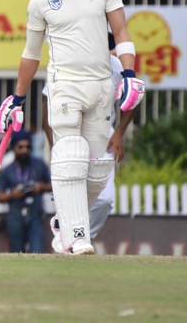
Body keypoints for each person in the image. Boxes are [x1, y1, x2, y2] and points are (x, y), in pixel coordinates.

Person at [0, 0, 145, 256]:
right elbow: (31, 54)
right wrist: (17, 99)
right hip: (65, 85)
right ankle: (78, 238)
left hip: (100, 87)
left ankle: (64, 223)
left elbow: (121, 33)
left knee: (97, 169)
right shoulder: (40, 1)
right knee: (70, 156)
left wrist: (131, 73)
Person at [42, 33, 136, 243]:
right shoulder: (67, 64)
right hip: (70, 133)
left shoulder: (117, 66)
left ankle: (80, 237)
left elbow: (132, 101)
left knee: (103, 199)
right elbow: (46, 103)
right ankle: (71, 238)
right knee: (73, 189)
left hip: (104, 134)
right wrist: (53, 142)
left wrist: (120, 132)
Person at [0, 130, 52, 253]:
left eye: (27, 147)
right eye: (20, 147)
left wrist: (40, 187)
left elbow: (53, 186)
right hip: (15, 214)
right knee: (16, 252)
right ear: (14, 148)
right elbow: (0, 197)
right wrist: (13, 194)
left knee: (37, 250)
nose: (24, 150)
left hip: (35, 213)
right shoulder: (8, 170)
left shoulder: (39, 165)